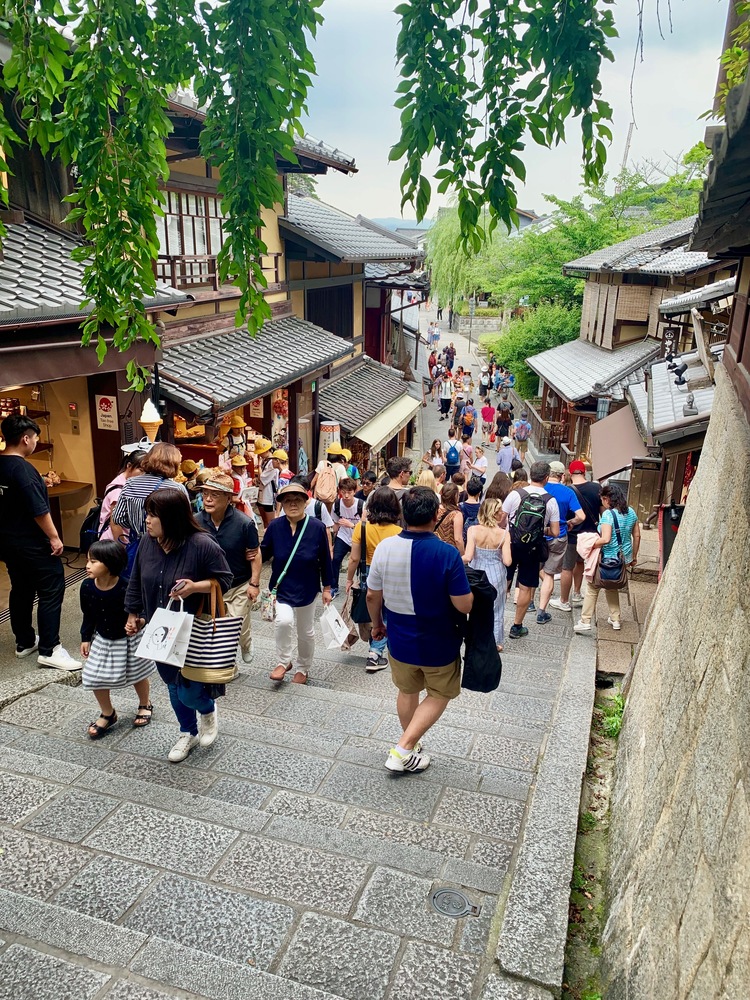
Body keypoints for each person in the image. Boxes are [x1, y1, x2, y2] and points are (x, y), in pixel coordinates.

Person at [366, 487, 473, 772]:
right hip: (438, 639)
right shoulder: (447, 554)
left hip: (399, 638)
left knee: (407, 689)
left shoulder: (385, 548)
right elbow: (463, 605)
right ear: (435, 513)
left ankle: (410, 744)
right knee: (440, 693)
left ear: (403, 514)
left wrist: (377, 625)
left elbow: (372, 595)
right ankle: (403, 749)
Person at [124, 488, 233, 763]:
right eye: (147, 514)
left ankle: (206, 709)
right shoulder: (148, 542)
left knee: (190, 689)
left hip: (193, 628)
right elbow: (136, 579)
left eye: (153, 515)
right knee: (173, 685)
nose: (147, 521)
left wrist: (194, 586)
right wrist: (132, 614)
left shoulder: (201, 544)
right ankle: (188, 732)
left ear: (171, 517)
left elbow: (225, 579)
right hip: (160, 629)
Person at [0, 414, 81, 670]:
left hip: (6, 541)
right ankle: (50, 648)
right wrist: (55, 537)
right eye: (35, 438)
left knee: (21, 587)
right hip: (32, 542)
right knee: (51, 587)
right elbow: (38, 510)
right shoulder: (23, 469)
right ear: (25, 438)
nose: (35, 442)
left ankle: (24, 641)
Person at [80, 540, 156, 738]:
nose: (88, 565)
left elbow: (143, 610)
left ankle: (145, 703)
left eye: (94, 561)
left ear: (110, 564)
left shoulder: (127, 586)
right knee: (94, 676)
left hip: (129, 639)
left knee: (137, 673)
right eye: (88, 560)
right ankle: (108, 713)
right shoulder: (87, 587)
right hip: (103, 638)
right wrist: (85, 637)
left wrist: (138, 621)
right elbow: (88, 614)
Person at [261, 482, 334, 685]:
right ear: (282, 505)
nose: (293, 504)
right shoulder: (275, 526)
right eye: (288, 501)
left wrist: (328, 587)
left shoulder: (317, 527)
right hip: (281, 586)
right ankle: (283, 662)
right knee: (283, 621)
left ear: (305, 502)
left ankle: (303, 667)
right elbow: (263, 552)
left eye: (297, 500)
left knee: (306, 630)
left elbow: (325, 559)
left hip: (307, 587)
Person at [197, 472, 261, 664]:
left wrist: (254, 583)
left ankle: (246, 642)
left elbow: (255, 553)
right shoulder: (195, 522)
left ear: (228, 498)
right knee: (213, 628)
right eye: (205, 493)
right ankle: (226, 665)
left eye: (214, 495)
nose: (208, 499)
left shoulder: (244, 523)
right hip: (209, 585)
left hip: (238, 584)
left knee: (237, 626)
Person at [346, 486, 403, 672]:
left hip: (367, 573)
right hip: (391, 573)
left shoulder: (361, 528)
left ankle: (374, 648)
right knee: (386, 612)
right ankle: (375, 652)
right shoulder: (398, 531)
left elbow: (354, 558)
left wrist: (348, 579)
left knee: (372, 610)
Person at [503, 461, 560, 638]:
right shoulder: (550, 501)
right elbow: (556, 532)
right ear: (546, 478)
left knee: (504, 581)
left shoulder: (515, 494)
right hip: (533, 547)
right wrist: (539, 529)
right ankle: (517, 626)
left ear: (530, 474)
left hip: (511, 542)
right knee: (526, 587)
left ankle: (495, 619)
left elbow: (501, 518)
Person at [575, 484, 640, 634]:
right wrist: (634, 556)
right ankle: (615, 619)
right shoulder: (631, 512)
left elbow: (605, 539)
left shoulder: (608, 515)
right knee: (611, 585)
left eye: (603, 499)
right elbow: (637, 536)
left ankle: (585, 621)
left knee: (592, 587)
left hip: (606, 558)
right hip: (623, 558)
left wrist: (589, 543)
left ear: (607, 499)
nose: (602, 503)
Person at [111, 442, 187, 568]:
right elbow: (184, 521)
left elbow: (118, 517)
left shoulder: (130, 483)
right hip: (169, 547)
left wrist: (136, 523)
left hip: (139, 544)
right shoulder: (177, 488)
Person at [535, 461, 584, 624]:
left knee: (532, 569)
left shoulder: (539, 488)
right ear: (563, 476)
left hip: (537, 534)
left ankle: (527, 603)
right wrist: (571, 522)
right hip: (559, 536)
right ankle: (542, 611)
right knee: (549, 574)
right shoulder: (568, 492)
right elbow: (581, 516)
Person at [463, 498, 512, 651]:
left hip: (476, 573)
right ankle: (496, 642)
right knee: (497, 609)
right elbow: (508, 561)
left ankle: (474, 638)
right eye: (500, 511)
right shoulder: (504, 534)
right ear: (495, 514)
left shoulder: (473, 530)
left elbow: (468, 556)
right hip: (496, 573)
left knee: (475, 608)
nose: (503, 513)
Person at [553, 460, 601, 612]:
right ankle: (577, 593)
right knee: (580, 563)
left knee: (567, 567)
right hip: (591, 535)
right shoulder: (597, 488)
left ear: (569, 473)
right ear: (584, 472)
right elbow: (602, 512)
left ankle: (564, 601)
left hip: (573, 535)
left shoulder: (568, 490)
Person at [98, 449, 148, 542]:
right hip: (114, 541)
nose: (144, 474)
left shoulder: (125, 481)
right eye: (141, 470)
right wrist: (123, 546)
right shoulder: (118, 491)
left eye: (146, 472)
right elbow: (115, 524)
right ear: (129, 466)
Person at [330, 477, 365, 598]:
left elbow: (366, 527)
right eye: (343, 492)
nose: (346, 496)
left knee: (361, 563)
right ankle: (334, 587)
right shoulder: (337, 505)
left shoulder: (361, 505)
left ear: (354, 491)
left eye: (349, 492)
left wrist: (352, 525)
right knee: (335, 560)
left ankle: (360, 585)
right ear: (339, 491)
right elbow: (335, 522)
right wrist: (332, 539)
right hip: (343, 536)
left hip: (358, 538)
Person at [435, 482, 465, 555]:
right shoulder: (456, 514)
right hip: (449, 551)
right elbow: (458, 539)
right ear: (455, 496)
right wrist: (463, 554)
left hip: (435, 547)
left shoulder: (436, 508)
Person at [254, 438, 278, 529]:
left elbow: (263, 478)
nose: (259, 454)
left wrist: (259, 466)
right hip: (262, 495)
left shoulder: (272, 462)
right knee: (265, 522)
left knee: (270, 524)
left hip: (269, 496)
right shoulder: (265, 460)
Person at [459, 476, 484, 541]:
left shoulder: (459, 506)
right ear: (479, 493)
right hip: (477, 539)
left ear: (467, 490)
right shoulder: (482, 508)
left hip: (463, 538)